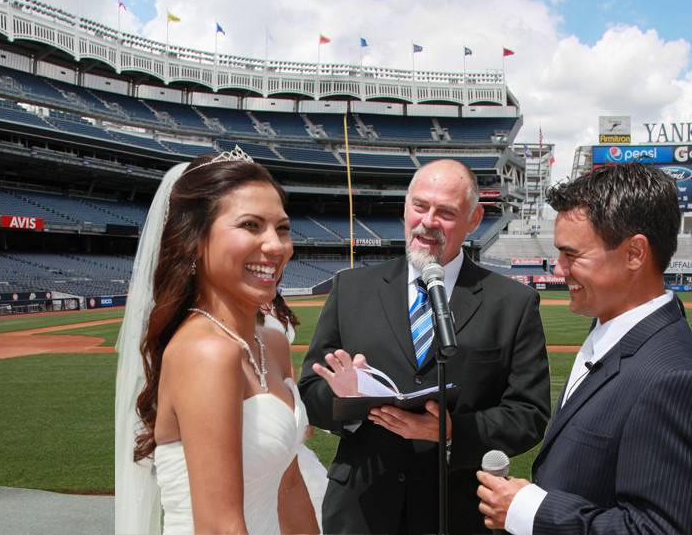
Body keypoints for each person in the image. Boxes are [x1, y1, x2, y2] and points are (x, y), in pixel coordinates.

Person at [299, 159, 551, 535]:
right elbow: (310, 390)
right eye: (420, 206)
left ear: (474, 218)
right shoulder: (351, 289)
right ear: (405, 206)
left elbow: (529, 414)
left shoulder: (512, 304)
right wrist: (345, 401)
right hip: (360, 511)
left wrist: (452, 431)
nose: (428, 221)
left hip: (457, 512)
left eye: (446, 212)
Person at [477, 164, 692, 534]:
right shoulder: (608, 328)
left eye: (572, 255)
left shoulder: (671, 376)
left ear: (635, 253)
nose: (559, 268)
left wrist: (531, 512)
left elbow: (658, 528)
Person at [114, 149, 318, 535]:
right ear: (194, 240)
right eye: (251, 225)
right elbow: (219, 527)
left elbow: (290, 488)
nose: (276, 246)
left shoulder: (271, 342)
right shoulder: (205, 353)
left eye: (283, 228)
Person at [260, 293, 329, 527]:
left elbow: (286, 368)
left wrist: (300, 410)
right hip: (262, 406)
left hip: (286, 398)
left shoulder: (274, 302)